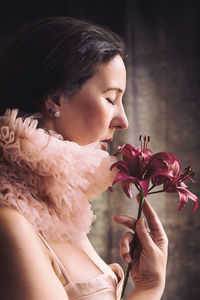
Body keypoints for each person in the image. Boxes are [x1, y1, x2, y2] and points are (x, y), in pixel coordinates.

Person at [0, 17, 168, 300]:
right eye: (111, 98)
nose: (123, 121)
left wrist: (146, 281)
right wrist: (150, 288)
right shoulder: (10, 223)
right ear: (54, 99)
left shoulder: (59, 212)